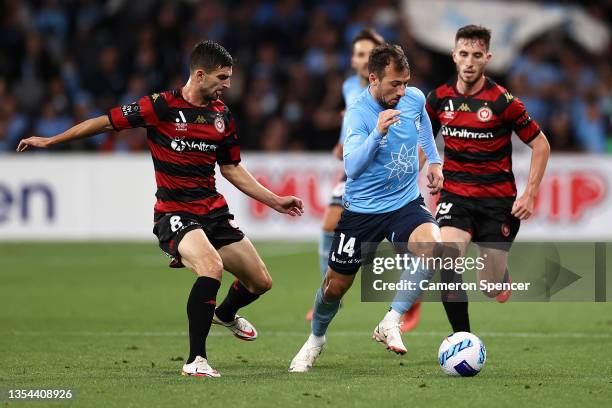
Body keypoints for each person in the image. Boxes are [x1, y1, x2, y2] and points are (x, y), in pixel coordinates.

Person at [17, 40, 304, 378]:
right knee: (211, 267)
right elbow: (105, 122)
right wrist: (52, 141)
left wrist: (275, 200)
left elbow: (231, 168)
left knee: (260, 282)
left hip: (213, 211)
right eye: (222, 77)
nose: (228, 85)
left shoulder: (221, 115)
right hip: (175, 212)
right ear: (199, 74)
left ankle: (225, 314)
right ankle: (195, 360)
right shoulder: (161, 106)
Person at [289, 44, 444, 372]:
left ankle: (392, 319)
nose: (402, 91)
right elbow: (354, 167)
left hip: (404, 202)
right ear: (373, 79)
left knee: (433, 245)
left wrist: (433, 161)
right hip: (362, 211)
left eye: (405, 83)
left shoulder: (413, 98)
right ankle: (315, 338)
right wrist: (377, 133)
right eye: (394, 84)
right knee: (334, 288)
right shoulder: (359, 113)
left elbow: (425, 126)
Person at [425, 25, 550, 333]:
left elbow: (541, 145)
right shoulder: (439, 99)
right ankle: (462, 339)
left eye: (477, 55)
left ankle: (499, 277)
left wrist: (530, 194)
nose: (469, 62)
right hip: (455, 195)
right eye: (464, 54)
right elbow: (423, 136)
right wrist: (431, 162)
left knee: (490, 287)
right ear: (454, 56)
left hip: (497, 201)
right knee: (448, 260)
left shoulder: (503, 102)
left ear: (487, 58)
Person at [308, 28, 422, 333]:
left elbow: (421, 132)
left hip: (392, 185)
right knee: (331, 229)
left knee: (423, 248)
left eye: (364, 53)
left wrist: (428, 163)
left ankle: (402, 306)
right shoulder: (351, 91)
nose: (358, 59)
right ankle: (330, 291)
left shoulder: (405, 97)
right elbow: (352, 131)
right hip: (359, 178)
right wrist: (345, 144)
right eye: (356, 54)